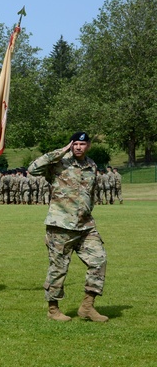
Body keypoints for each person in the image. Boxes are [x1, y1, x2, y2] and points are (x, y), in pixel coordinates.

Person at [27, 132, 108, 322]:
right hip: (60, 225)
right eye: (75, 144)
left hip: (85, 225)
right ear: (71, 145)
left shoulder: (92, 165)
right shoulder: (58, 163)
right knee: (59, 268)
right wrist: (59, 152)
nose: (78, 147)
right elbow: (32, 169)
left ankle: (87, 306)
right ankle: (53, 309)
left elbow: (91, 192)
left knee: (99, 259)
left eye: (82, 144)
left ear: (88, 146)